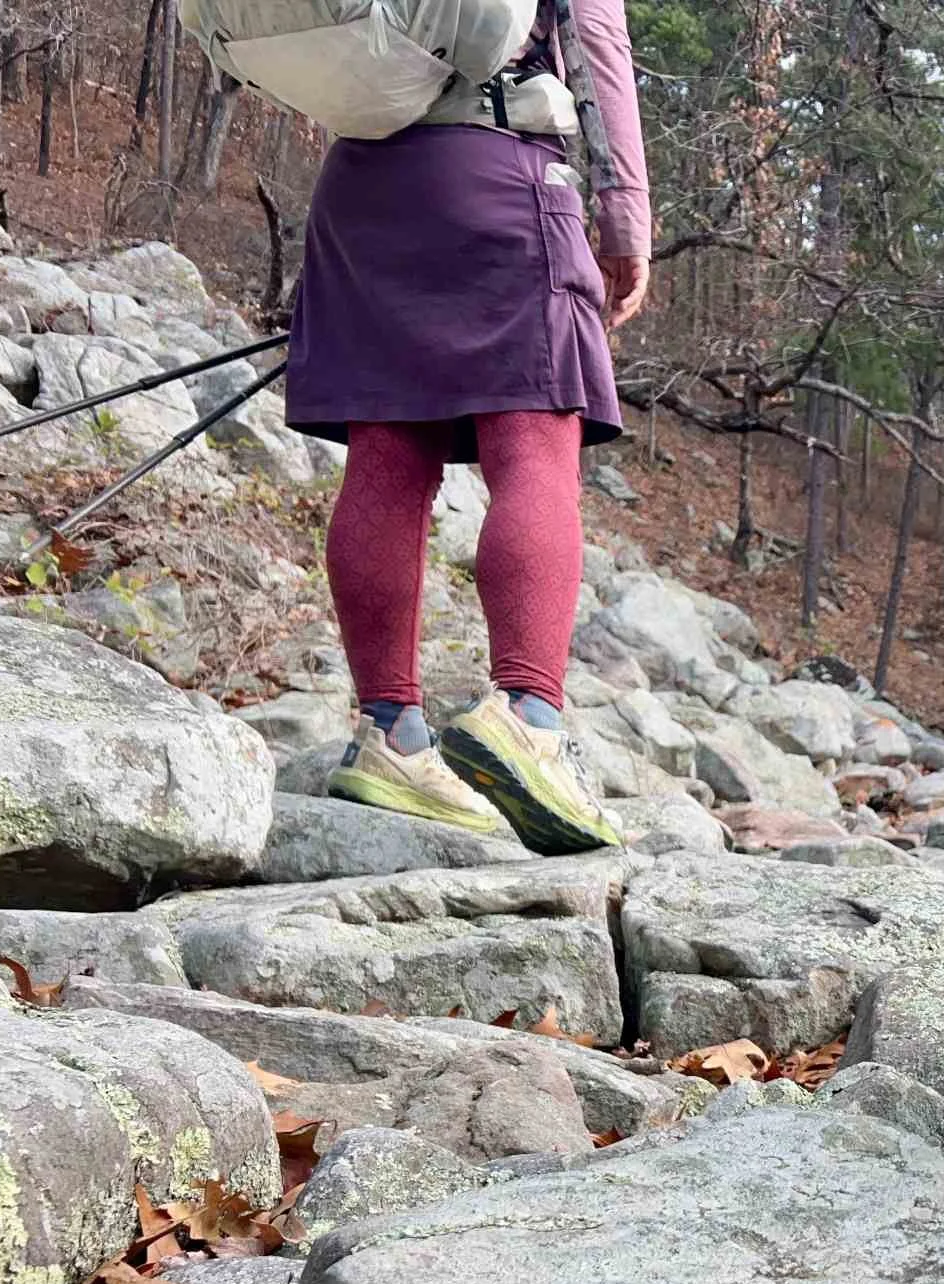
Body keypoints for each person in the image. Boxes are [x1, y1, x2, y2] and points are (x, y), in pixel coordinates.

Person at [281, 0, 651, 855]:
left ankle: (390, 735)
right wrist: (625, 218)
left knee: (387, 452)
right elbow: (596, 39)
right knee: (534, 445)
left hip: (361, 189)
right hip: (500, 168)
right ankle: (526, 714)